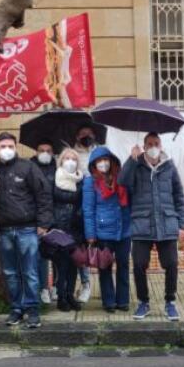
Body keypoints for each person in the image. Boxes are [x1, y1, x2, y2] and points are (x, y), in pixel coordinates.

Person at [121, 132, 184, 321]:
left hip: (167, 224)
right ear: (143, 145)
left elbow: (179, 197)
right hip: (141, 224)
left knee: (172, 264)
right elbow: (123, 182)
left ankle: (170, 302)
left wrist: (181, 224)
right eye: (149, 143)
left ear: (161, 145)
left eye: (155, 143)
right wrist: (131, 159)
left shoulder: (169, 166)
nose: (152, 146)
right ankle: (143, 302)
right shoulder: (136, 165)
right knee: (140, 264)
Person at [0, 132, 53, 329]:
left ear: (16, 147)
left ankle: (33, 309)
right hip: (3, 230)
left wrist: (44, 223)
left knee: (30, 272)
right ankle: (16, 309)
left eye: (10, 146)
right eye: (3, 146)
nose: (7, 150)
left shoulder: (28, 167)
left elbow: (43, 194)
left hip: (27, 229)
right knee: (10, 273)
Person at [83, 146, 133, 312]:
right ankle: (109, 302)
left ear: (111, 161)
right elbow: (88, 210)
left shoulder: (121, 177)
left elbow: (131, 195)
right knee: (104, 267)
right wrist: (90, 234)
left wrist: (134, 160)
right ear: (93, 164)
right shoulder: (90, 182)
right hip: (103, 231)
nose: (103, 163)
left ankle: (123, 300)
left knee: (124, 265)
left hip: (124, 229)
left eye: (105, 160)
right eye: (99, 161)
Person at [49, 148, 85, 312]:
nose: (70, 161)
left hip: (76, 227)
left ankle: (70, 295)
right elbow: (48, 203)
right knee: (61, 265)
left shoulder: (82, 180)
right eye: (67, 158)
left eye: (74, 159)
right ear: (61, 161)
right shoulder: (54, 178)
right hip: (59, 227)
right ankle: (61, 296)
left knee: (74, 264)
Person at [71, 124, 98, 304]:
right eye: (82, 133)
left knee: (90, 249)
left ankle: (87, 284)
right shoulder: (70, 154)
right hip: (74, 206)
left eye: (88, 134)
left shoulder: (100, 153)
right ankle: (63, 286)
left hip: (95, 206)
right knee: (74, 248)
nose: (86, 136)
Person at [32, 141, 59, 306]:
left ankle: (56, 286)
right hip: (38, 220)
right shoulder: (30, 167)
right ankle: (43, 287)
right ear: (36, 152)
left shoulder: (59, 167)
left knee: (57, 255)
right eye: (41, 150)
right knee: (40, 255)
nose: (45, 153)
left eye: (48, 150)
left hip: (56, 218)